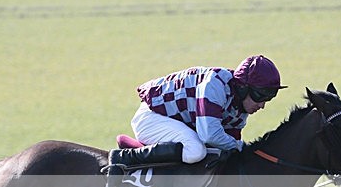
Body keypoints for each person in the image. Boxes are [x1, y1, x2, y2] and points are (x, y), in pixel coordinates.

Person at [107, 55, 287, 180]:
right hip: (152, 118)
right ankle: (125, 157)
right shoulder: (214, 85)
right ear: (242, 87)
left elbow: (229, 145)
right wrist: (242, 147)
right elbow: (210, 135)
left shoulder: (240, 107)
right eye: (260, 96)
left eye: (269, 98)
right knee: (196, 151)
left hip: (178, 123)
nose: (262, 105)